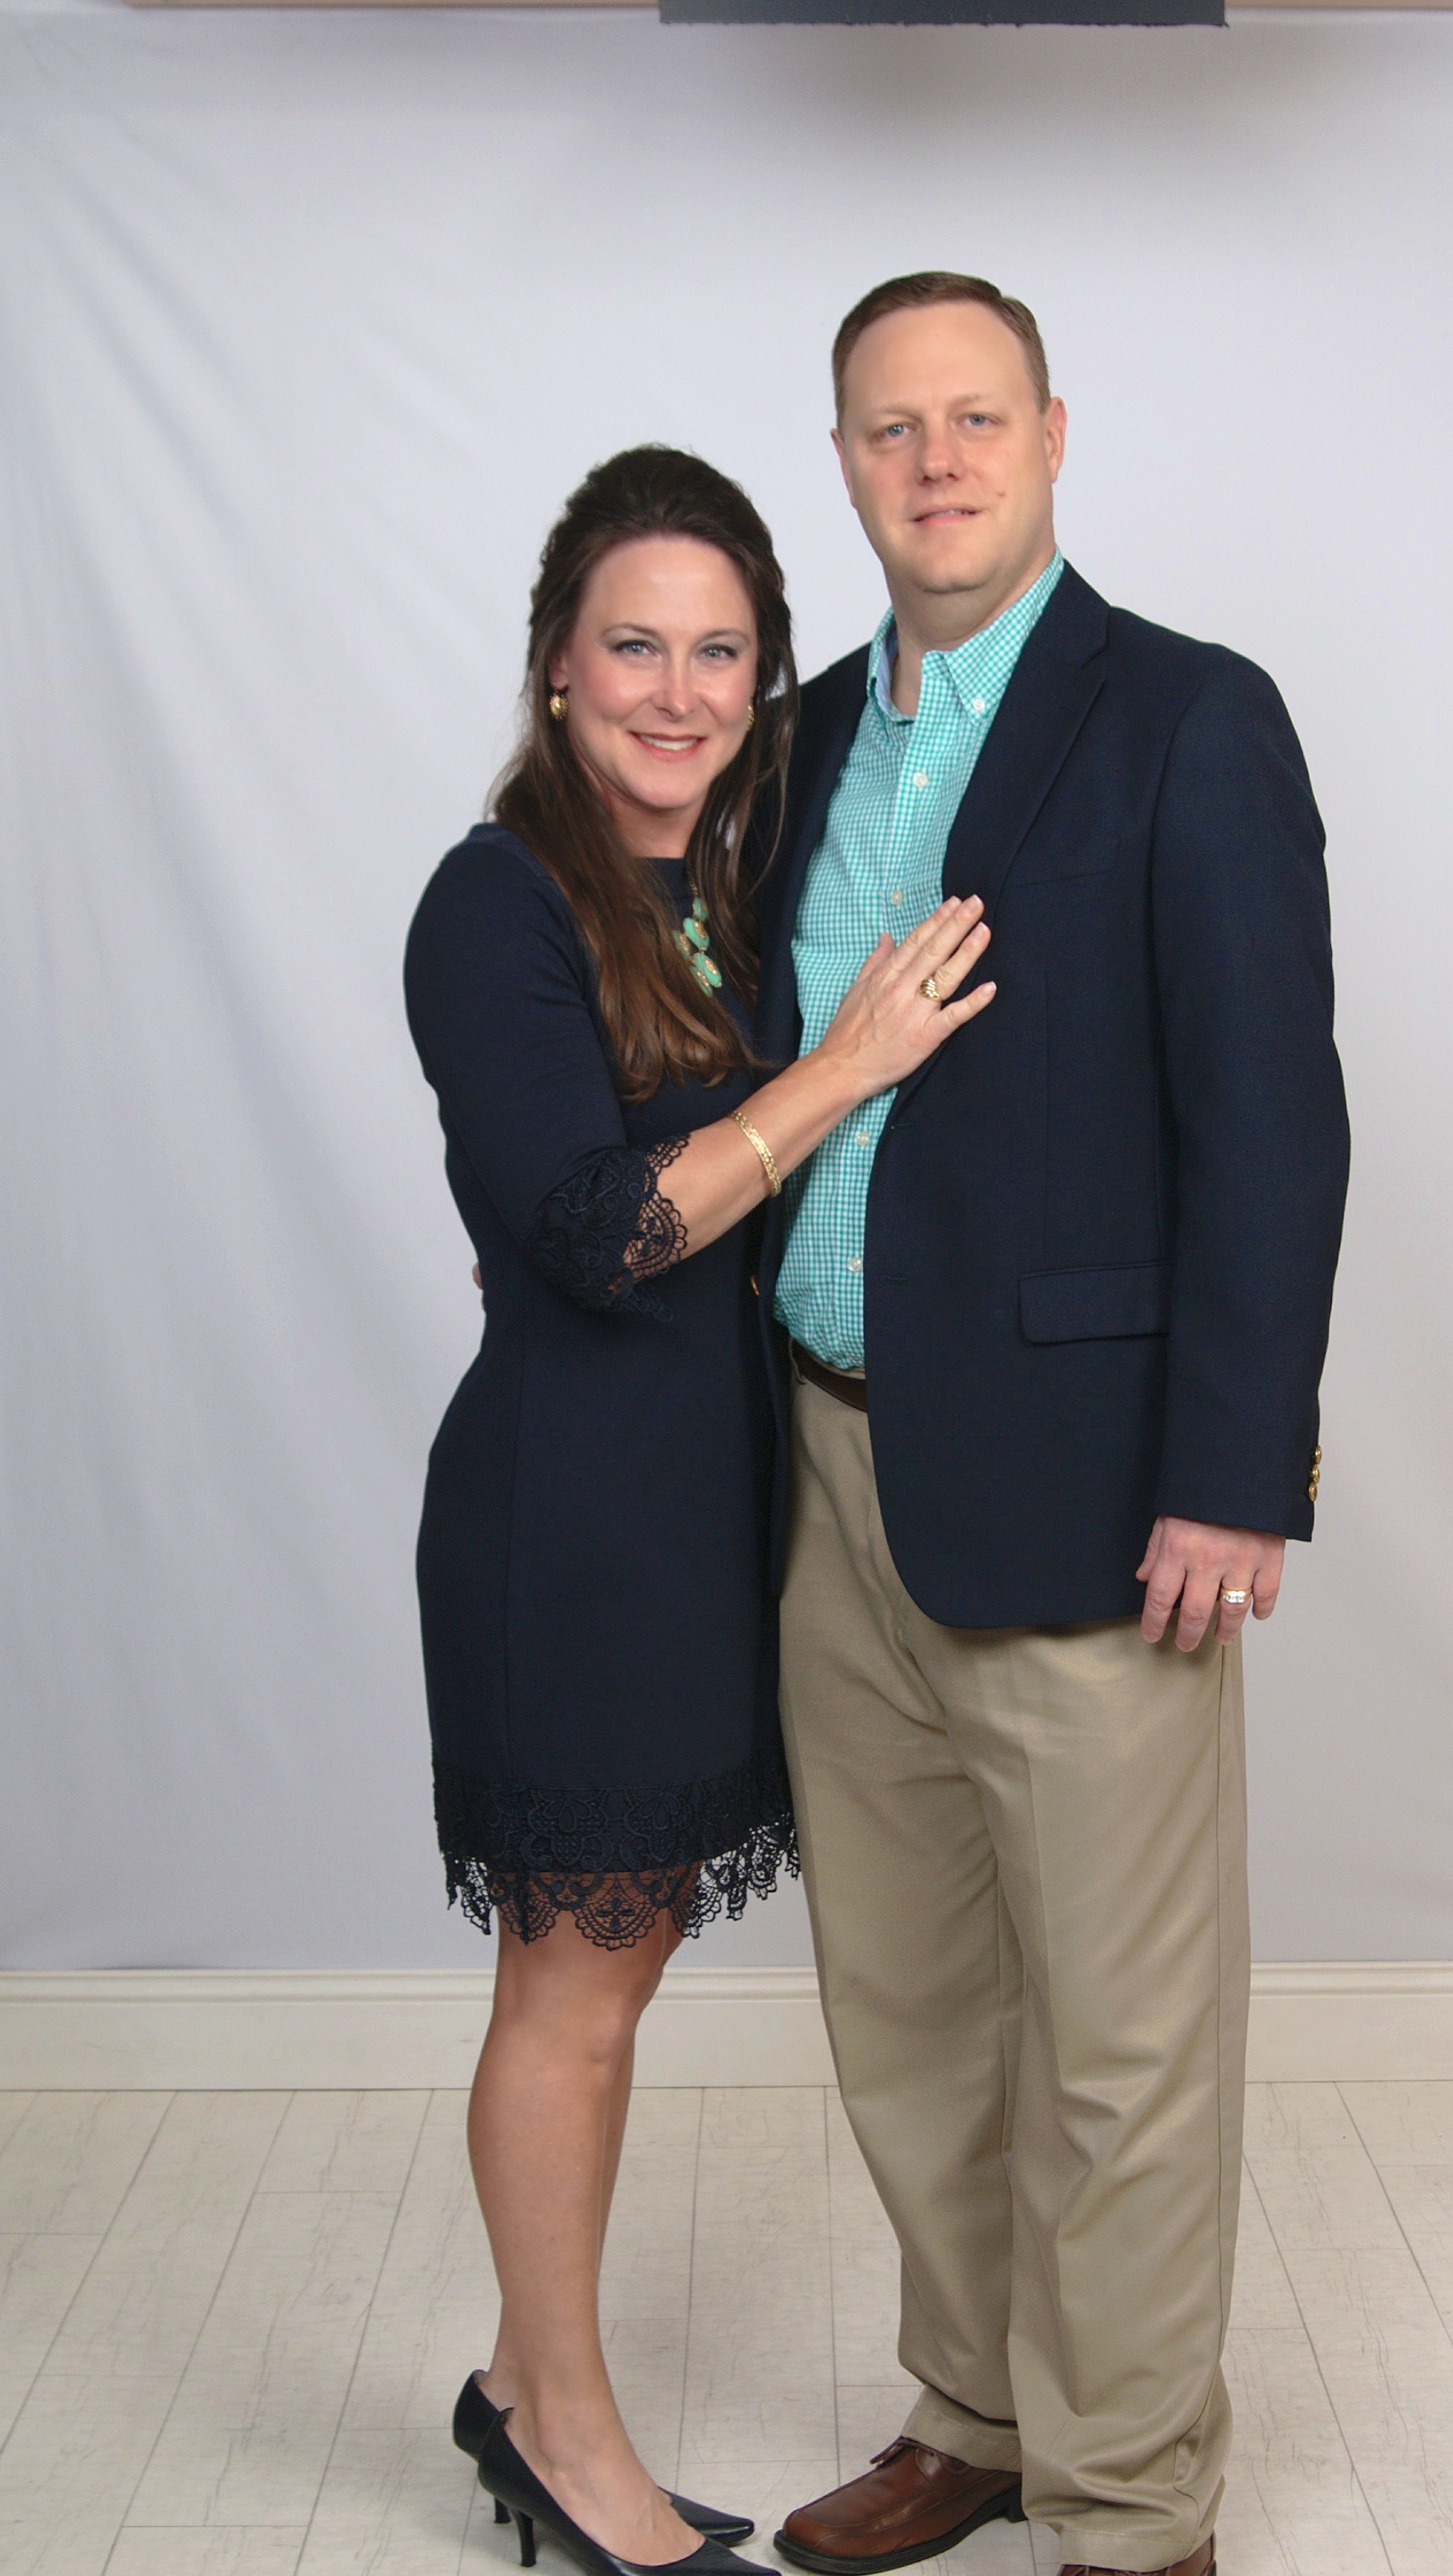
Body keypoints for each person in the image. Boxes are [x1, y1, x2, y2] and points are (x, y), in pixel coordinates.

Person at [757, 281, 1350, 2576]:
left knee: (1121, 2041)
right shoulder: (799, 741)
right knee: (910, 2014)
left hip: (1102, 1493)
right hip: (827, 1471)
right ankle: (980, 2414)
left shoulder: (1190, 717)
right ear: (843, 459)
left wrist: (1233, 1469)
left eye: (975, 417)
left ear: (1054, 433)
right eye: (891, 427)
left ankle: (1129, 2502)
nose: (937, 461)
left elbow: (1271, 1118)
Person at [403, 444, 996, 2576]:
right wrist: (841, 1070)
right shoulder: (496, 902)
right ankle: (558, 2433)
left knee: (613, 1979)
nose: (678, 692)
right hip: (571, 1524)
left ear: (765, 679)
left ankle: (524, 2381)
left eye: (720, 652)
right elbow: (597, 1229)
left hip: (697, 1511)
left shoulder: (707, 891)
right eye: (634, 648)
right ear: (557, 668)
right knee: (569, 1999)